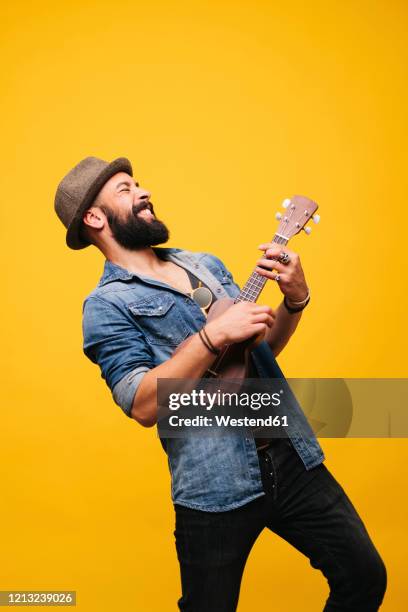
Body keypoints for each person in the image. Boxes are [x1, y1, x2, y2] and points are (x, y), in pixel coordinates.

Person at [54, 156, 387, 611]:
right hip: (214, 485)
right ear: (94, 218)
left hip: (291, 456)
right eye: (126, 189)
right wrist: (211, 336)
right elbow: (142, 405)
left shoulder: (204, 265)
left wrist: (295, 299)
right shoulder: (106, 306)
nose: (143, 192)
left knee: (364, 576)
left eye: (139, 184)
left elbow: (258, 350)